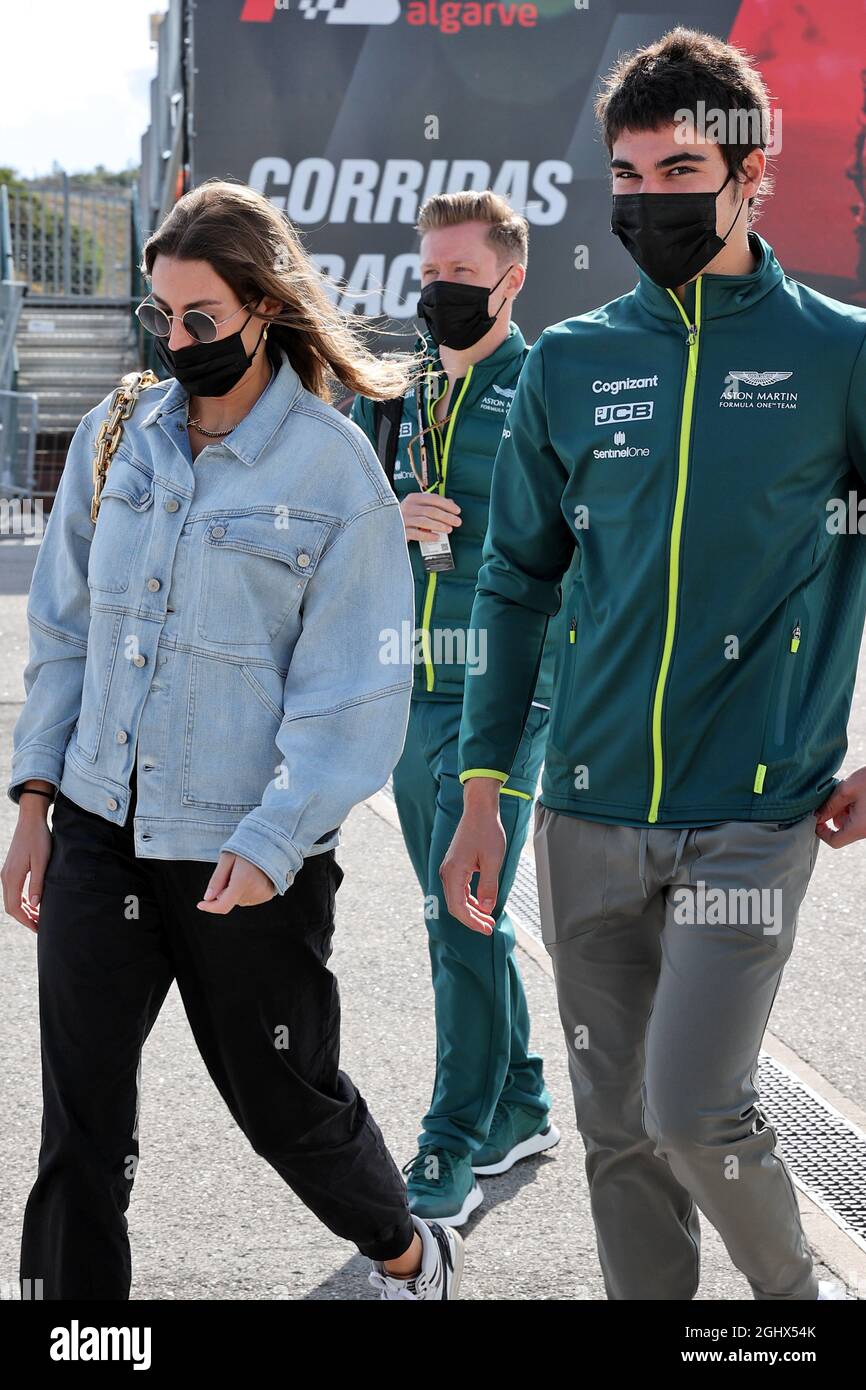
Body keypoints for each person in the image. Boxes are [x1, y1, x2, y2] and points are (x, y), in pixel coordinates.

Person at [441, 28, 866, 1300]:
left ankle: (792, 1312)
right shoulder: (573, 363)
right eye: (624, 174)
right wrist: (481, 790)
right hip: (583, 808)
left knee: (692, 1110)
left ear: (751, 174)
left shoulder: (836, 354)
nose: (645, 199)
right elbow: (513, 582)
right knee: (613, 1131)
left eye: (677, 169)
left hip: (751, 812)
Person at [1, 178, 463, 1301]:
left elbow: (354, 692)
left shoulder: (333, 468)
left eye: (199, 318)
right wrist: (32, 804)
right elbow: (64, 630)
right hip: (101, 832)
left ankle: (410, 1254)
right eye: (157, 316)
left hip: (243, 857)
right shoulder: (120, 435)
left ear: (264, 309)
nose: (173, 339)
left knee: (284, 1108)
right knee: (80, 1133)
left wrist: (272, 838)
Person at [351, 191, 572, 1227]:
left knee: (459, 913)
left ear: (510, 280)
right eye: (425, 273)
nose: (436, 292)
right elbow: (334, 532)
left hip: (510, 699)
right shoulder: (390, 396)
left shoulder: (547, 389)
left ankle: (450, 1138)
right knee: (460, 919)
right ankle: (520, 1100)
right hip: (410, 691)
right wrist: (384, 521)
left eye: (459, 277)